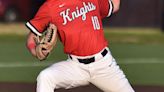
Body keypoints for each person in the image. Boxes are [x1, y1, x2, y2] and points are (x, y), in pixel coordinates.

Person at [25, 0, 135, 92]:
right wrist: (35, 50)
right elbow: (31, 37)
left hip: (104, 65)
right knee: (45, 76)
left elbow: (114, 6)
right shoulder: (50, 7)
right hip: (75, 66)